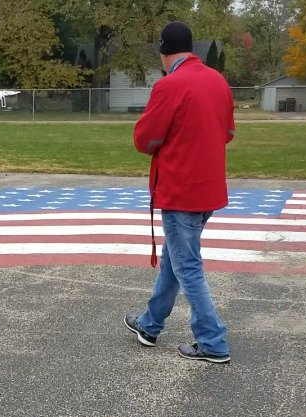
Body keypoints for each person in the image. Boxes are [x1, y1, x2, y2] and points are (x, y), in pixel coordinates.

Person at [124, 21, 236, 363]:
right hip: (209, 189)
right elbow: (228, 132)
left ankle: (213, 342)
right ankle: (150, 324)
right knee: (176, 260)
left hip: (181, 190)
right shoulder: (218, 80)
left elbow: (145, 140)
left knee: (187, 266)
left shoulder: (169, 85)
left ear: (164, 53)